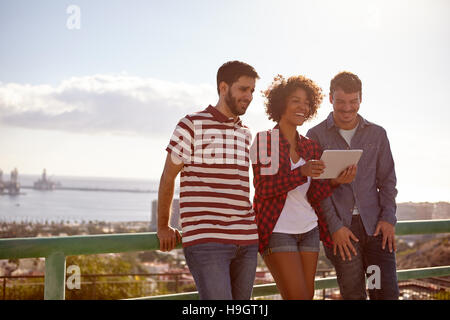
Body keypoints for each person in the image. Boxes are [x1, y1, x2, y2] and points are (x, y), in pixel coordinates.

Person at [157, 60, 260, 300]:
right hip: (207, 240)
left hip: (246, 240)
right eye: (243, 89)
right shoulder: (191, 124)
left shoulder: (245, 133)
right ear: (223, 88)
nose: (249, 96)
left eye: (252, 90)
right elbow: (167, 177)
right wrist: (163, 225)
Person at [251, 75, 356, 299]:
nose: (303, 107)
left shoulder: (310, 146)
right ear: (281, 103)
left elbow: (315, 194)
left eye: (307, 102)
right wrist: (301, 172)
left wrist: (336, 180)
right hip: (278, 231)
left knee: (306, 297)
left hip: (309, 229)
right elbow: (264, 188)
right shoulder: (264, 141)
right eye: (295, 100)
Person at [306, 71, 399, 300]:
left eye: (353, 101)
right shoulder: (315, 136)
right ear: (330, 99)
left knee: (383, 293)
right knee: (353, 295)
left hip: (376, 230)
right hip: (342, 233)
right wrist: (335, 227)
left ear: (360, 99)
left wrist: (388, 218)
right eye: (340, 102)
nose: (347, 108)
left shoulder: (377, 134)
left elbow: (387, 181)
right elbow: (316, 190)